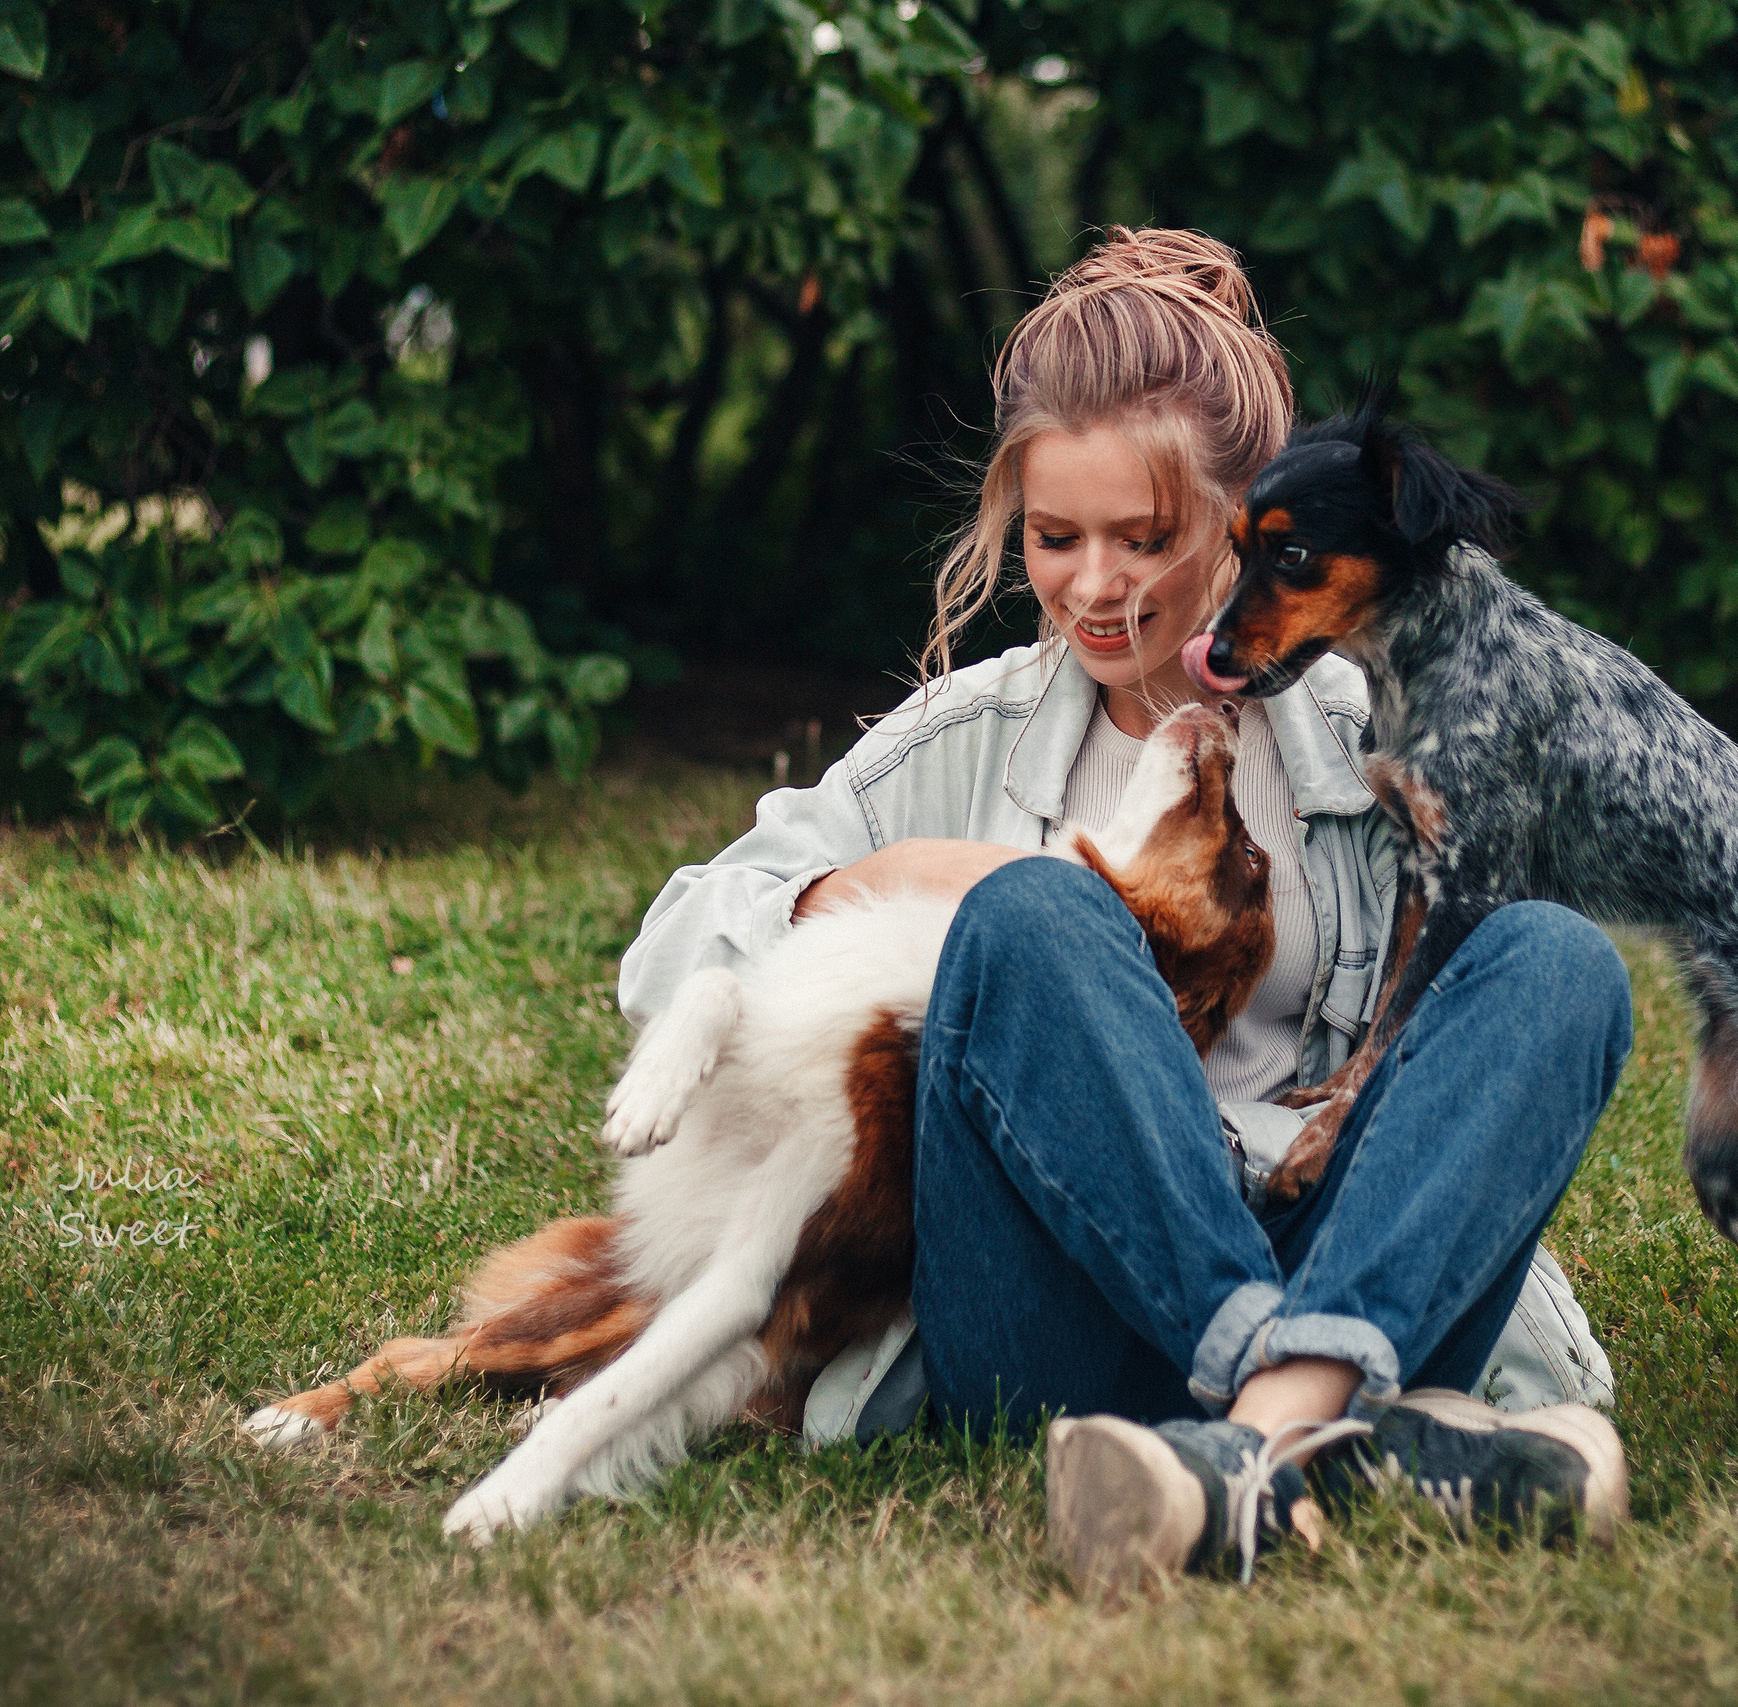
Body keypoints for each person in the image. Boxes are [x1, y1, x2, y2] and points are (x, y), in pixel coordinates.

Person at [620, 228, 1635, 1587]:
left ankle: (1257, 1447)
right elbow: (675, 942)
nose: (1094, 586)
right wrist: (874, 884)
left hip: (1344, 1283)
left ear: (1245, 526)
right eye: (1055, 537)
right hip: (1053, 1310)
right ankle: (1351, 1436)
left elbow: (1492, 1066)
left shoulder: (1385, 741)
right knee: (1039, 917)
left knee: (1557, 962)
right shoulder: (963, 742)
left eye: (1145, 540)